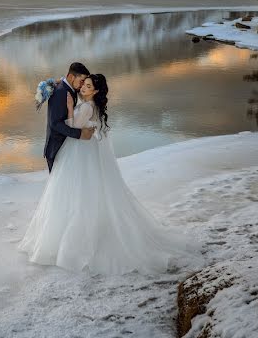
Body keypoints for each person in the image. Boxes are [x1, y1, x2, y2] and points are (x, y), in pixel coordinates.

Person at [20, 73, 188, 274]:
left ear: (96, 91)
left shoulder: (87, 106)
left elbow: (73, 126)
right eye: (84, 84)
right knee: (86, 189)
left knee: (74, 191)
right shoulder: (91, 105)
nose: (83, 88)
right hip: (84, 150)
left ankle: (75, 240)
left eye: (88, 86)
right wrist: (58, 84)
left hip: (79, 152)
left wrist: (70, 109)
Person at [42, 62, 94, 172]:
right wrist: (80, 134)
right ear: (71, 77)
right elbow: (55, 123)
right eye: (81, 81)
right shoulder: (60, 92)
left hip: (66, 147)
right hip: (57, 149)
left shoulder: (69, 88)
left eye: (84, 82)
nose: (82, 85)